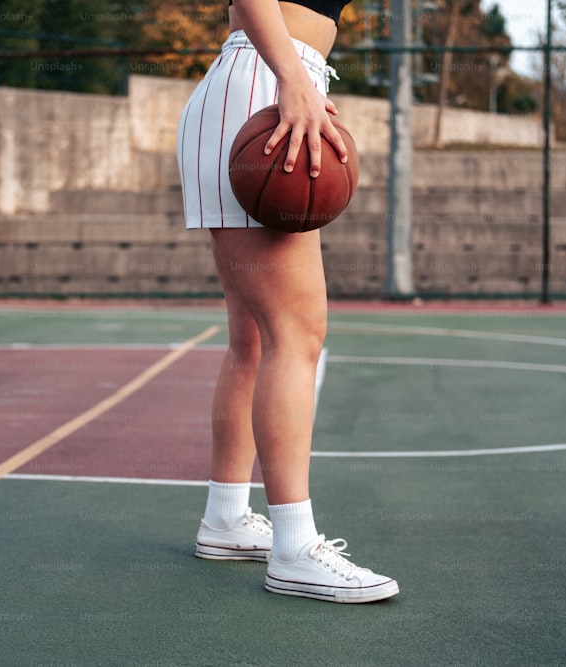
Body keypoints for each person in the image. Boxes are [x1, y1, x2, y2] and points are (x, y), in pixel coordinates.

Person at [176, 0, 398, 603]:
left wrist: (298, 73)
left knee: (253, 338)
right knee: (296, 334)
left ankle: (225, 516)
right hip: (264, 83)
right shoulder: (280, 71)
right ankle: (296, 548)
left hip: (251, 84)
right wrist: (293, 77)